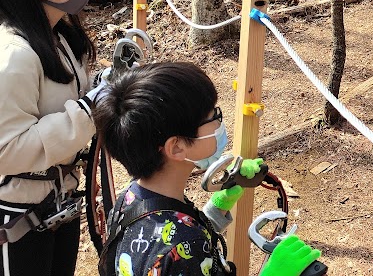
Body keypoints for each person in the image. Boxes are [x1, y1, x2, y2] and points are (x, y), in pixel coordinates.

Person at [93, 62, 322, 276]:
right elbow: (182, 250)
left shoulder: (130, 199)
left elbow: (167, 241)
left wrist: (217, 208)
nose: (219, 123)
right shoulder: (185, 246)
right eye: (213, 116)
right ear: (177, 147)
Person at [0, 0, 106, 276]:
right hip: (19, 215)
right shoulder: (15, 55)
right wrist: (89, 109)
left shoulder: (56, 38)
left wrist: (103, 86)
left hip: (60, 201)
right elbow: (7, 150)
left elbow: (65, 102)